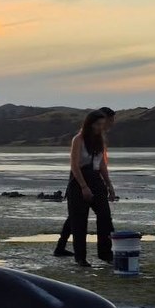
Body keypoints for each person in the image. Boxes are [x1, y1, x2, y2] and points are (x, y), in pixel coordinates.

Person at [55, 107, 117, 257]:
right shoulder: (79, 139)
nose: (102, 127)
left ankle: (105, 252)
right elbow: (74, 165)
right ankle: (78, 255)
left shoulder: (101, 139)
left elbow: (102, 164)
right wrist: (83, 186)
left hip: (96, 178)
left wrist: (109, 185)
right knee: (78, 219)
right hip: (80, 177)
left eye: (102, 124)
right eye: (98, 124)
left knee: (104, 216)